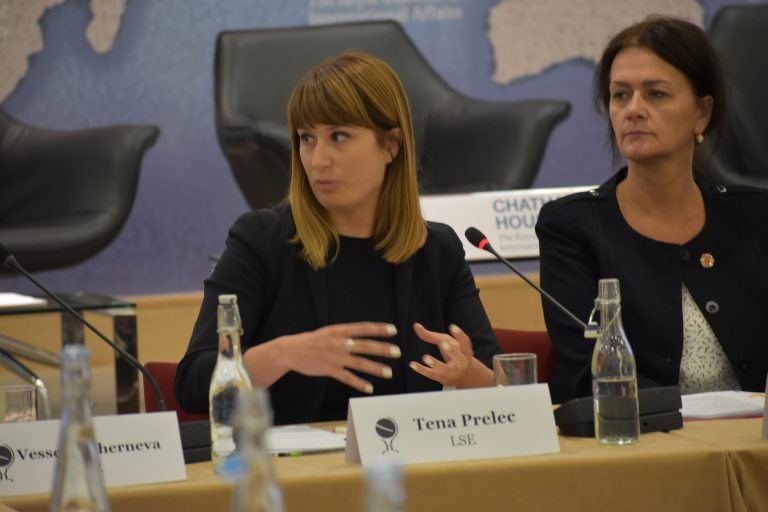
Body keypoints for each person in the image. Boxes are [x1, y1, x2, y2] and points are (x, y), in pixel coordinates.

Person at [175, 52, 501, 425]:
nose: (318, 160)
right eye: (306, 138)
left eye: (339, 136)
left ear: (391, 145)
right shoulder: (260, 241)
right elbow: (193, 382)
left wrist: (467, 374)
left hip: (412, 454)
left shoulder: (436, 250)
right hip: (291, 459)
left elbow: (507, 386)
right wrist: (283, 354)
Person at [536, 16, 768, 404]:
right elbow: (586, 372)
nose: (634, 110)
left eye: (656, 94)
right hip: (642, 437)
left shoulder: (755, 216)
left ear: (702, 112)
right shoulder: (571, 227)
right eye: (620, 95)